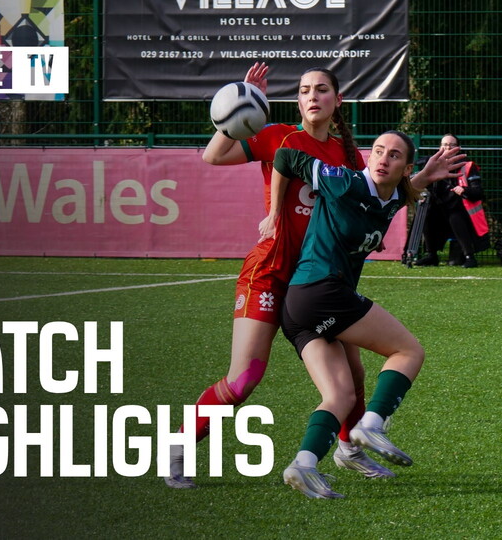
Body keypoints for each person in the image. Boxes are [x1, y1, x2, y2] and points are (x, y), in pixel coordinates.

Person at [164, 63, 387, 489]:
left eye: (321, 89)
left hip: (318, 279)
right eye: (304, 90)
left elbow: (370, 199)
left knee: (353, 373)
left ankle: (348, 449)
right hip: (269, 272)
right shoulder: (278, 136)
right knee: (243, 379)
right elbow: (214, 155)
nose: (312, 96)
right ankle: (178, 446)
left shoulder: (348, 155)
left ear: (338, 100)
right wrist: (238, 107)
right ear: (297, 100)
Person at [264, 131, 446, 499]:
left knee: (341, 395)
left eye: (394, 155)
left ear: (405, 168)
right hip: (321, 291)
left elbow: (399, 195)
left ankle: (303, 464)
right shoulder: (345, 181)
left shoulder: (390, 197)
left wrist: (425, 176)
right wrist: (274, 213)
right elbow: (285, 157)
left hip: (301, 307)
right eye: (378, 151)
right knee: (408, 352)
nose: (383, 159)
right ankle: (372, 424)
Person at [414, 134, 489, 268]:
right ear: (439, 148)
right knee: (427, 213)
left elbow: (478, 193)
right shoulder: (431, 165)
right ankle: (431, 256)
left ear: (458, 148)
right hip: (438, 209)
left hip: (460, 211)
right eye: (444, 145)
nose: (448, 147)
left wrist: (464, 190)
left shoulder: (467, 166)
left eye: (451, 145)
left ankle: (469, 257)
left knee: (455, 217)